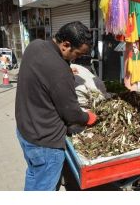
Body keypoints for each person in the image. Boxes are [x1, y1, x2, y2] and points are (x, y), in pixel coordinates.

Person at [15, 21, 97, 191]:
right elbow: (72, 115)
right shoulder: (59, 71)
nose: (77, 59)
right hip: (45, 144)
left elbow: (44, 72)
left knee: (33, 175)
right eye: (77, 54)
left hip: (25, 131)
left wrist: (65, 68)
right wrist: (88, 117)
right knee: (44, 188)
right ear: (65, 45)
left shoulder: (35, 46)